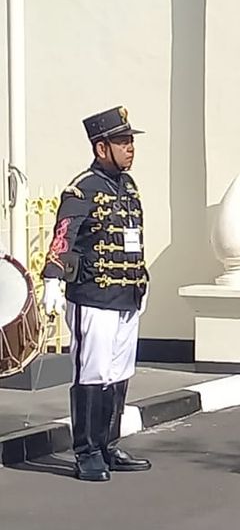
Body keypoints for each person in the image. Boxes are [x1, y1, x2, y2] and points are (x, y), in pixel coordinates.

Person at [39, 107, 152, 482]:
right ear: (102, 148)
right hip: (94, 296)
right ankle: (86, 452)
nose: (130, 147)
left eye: (131, 140)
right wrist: (52, 279)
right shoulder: (82, 188)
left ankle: (108, 446)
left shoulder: (128, 186)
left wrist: (141, 279)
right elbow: (64, 235)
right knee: (93, 373)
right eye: (122, 141)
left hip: (127, 296)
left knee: (119, 373)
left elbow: (133, 237)